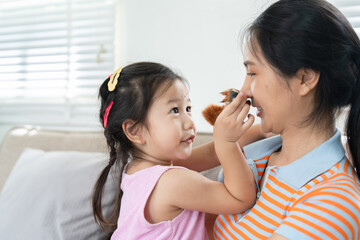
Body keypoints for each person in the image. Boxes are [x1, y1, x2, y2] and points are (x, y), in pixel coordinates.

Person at [182, 0, 360, 239]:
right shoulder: (258, 155)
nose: (244, 91)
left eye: (253, 73)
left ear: (305, 79)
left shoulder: (336, 202)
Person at [91, 62, 265, 239]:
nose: (190, 122)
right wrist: (227, 143)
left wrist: (263, 130)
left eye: (188, 109)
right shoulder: (171, 181)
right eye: (174, 110)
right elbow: (240, 199)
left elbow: (213, 152)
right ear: (135, 130)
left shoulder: (138, 170)